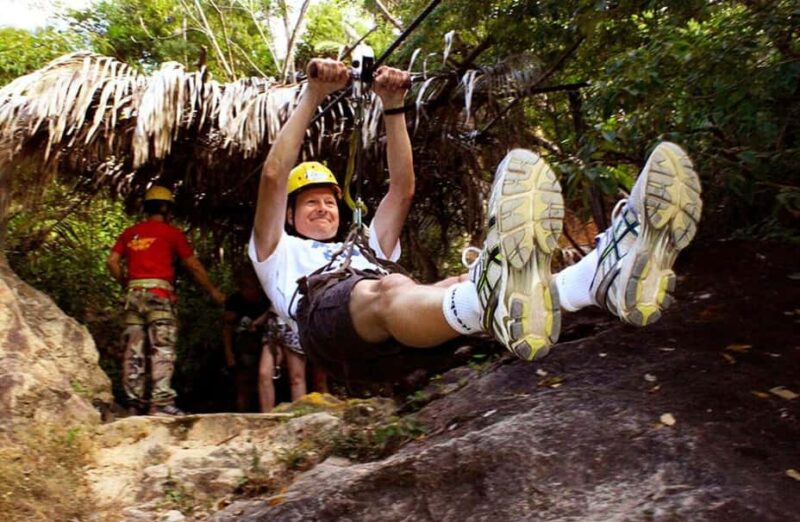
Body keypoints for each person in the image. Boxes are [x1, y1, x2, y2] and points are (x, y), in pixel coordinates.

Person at [248, 58, 702, 380]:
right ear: (290, 214)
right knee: (391, 289)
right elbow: (272, 175)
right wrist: (313, 94)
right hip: (330, 327)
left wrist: (393, 105)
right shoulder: (277, 252)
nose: (324, 207)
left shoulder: (365, 246)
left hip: (400, 341)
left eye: (329, 200)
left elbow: (402, 189)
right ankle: (494, 298)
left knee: (451, 284)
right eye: (310, 203)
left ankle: (597, 280)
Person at [107, 186, 226, 416]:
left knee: (134, 349)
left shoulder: (130, 233)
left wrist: (126, 283)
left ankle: (134, 404)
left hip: (133, 295)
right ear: (166, 208)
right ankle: (160, 404)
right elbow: (193, 265)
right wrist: (213, 291)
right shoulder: (172, 233)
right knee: (162, 347)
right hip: (159, 296)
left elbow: (112, 261)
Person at [222, 266, 270, 412]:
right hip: (242, 348)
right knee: (243, 384)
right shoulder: (235, 301)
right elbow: (227, 328)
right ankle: (242, 412)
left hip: (265, 345)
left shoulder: (266, 298)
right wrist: (229, 354)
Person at [255, 309, 308, 412]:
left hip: (294, 322)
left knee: (296, 377)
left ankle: (299, 416)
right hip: (274, 324)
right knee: (264, 374)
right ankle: (266, 416)